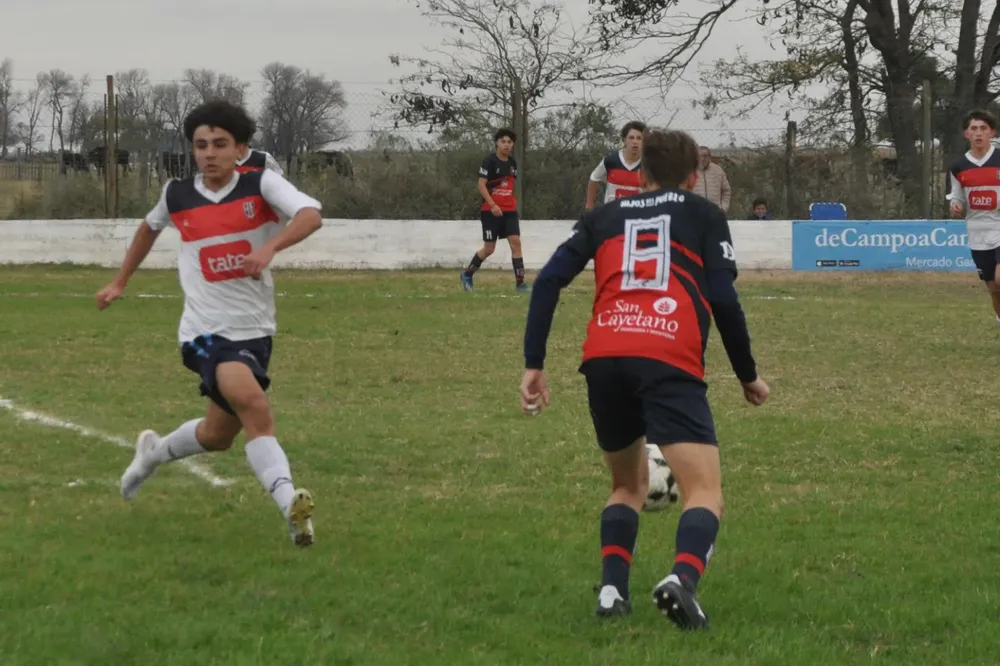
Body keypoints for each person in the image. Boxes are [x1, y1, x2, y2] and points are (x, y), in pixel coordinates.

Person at [520, 128, 769, 629]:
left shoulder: (602, 216)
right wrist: (748, 375)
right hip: (667, 355)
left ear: (641, 174)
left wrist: (534, 363)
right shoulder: (705, 214)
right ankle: (682, 579)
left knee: (626, 484)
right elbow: (723, 298)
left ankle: (612, 592)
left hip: (605, 356)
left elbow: (547, 279)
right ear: (695, 176)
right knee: (704, 492)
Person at [95, 99, 324, 547]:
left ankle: (152, 454)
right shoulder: (178, 193)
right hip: (203, 332)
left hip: (255, 330)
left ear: (240, 149)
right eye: (201, 145)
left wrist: (270, 247)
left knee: (217, 435)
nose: (209, 153)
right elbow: (149, 228)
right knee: (253, 403)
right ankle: (290, 506)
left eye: (220, 144)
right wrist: (120, 281)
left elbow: (311, 215)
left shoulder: (261, 184)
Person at [948, 109, 1000, 323]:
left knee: (999, 280)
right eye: (974, 129)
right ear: (966, 134)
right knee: (993, 289)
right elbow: (957, 198)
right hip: (977, 233)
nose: (978, 133)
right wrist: (956, 206)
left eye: (983, 129)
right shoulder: (958, 167)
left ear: (992, 133)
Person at [461, 128, 527, 292]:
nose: (506, 145)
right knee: (489, 249)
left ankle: (520, 283)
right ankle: (467, 274)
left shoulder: (512, 163)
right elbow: (481, 186)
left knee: (516, 243)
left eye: (509, 142)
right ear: (497, 143)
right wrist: (493, 205)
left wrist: (510, 203)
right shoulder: (489, 162)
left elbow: (510, 187)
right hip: (490, 211)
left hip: (509, 211)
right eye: (503, 141)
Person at [585, 121, 646, 209]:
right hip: (612, 216)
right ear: (625, 140)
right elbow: (594, 178)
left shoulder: (648, 165)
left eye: (639, 138)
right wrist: (589, 205)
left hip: (636, 218)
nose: (635, 142)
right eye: (631, 138)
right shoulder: (610, 161)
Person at [695, 146, 731, 213]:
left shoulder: (718, 171)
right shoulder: (690, 171)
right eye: (700, 156)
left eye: (705, 156)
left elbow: (726, 191)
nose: (702, 159)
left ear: (710, 157)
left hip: (715, 212)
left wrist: (723, 208)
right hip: (695, 213)